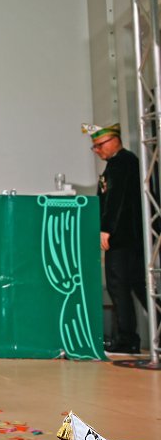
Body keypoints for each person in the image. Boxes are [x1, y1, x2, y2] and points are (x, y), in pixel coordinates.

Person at [86, 123, 148, 355]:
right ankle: (129, 337)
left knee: (119, 286)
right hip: (131, 237)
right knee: (137, 285)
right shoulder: (123, 162)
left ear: (114, 141)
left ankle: (127, 339)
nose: (97, 150)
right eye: (94, 147)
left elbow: (115, 199)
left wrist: (106, 228)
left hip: (122, 237)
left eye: (99, 145)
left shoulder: (121, 163)